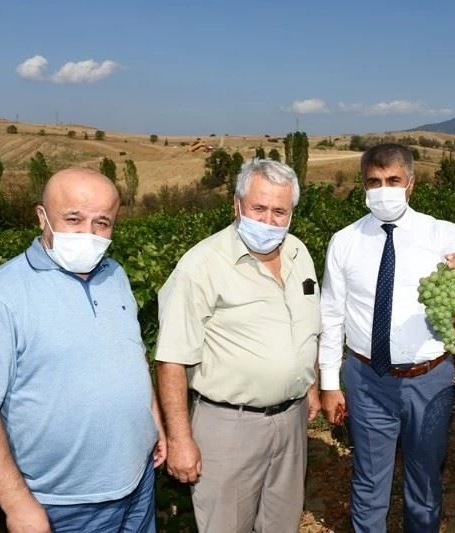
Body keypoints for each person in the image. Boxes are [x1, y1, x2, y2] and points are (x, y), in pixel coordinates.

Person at [0, 168, 165, 533]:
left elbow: (132, 356)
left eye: (102, 223)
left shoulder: (115, 275)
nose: (88, 233)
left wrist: (153, 424)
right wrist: (16, 503)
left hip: (139, 482)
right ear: (42, 216)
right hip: (64, 505)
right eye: (73, 219)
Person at [319, 143, 455, 532]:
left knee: (424, 482)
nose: (384, 189)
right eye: (374, 182)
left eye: (393, 180)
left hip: (430, 381)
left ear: (411, 183)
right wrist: (328, 382)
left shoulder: (443, 234)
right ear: (363, 185)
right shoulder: (345, 241)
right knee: (368, 481)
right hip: (367, 380)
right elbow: (331, 314)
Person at [154, 159, 320, 533]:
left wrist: (309, 385)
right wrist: (180, 439)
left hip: (291, 421)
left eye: (279, 211)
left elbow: (306, 328)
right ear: (236, 204)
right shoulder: (200, 266)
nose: (268, 221)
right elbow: (171, 359)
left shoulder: (299, 253)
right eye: (258, 208)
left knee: (282, 526)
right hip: (229, 427)